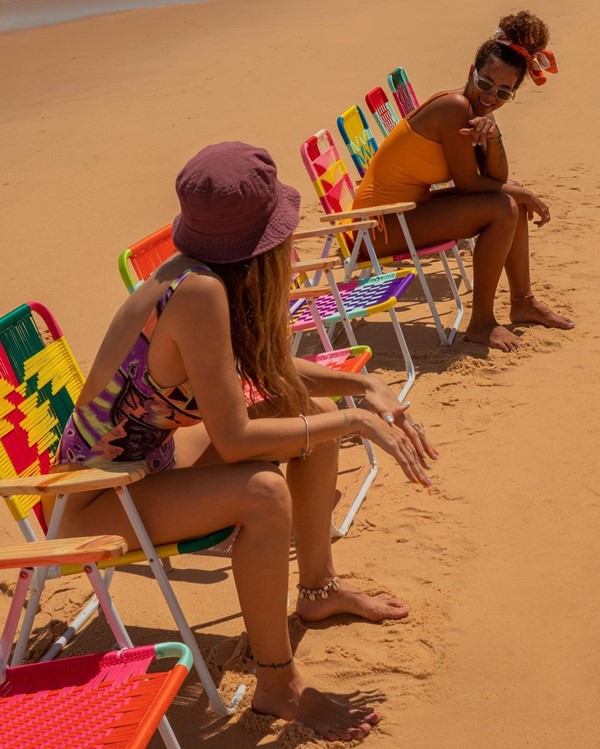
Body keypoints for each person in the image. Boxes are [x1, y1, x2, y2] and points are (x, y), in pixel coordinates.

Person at [45, 141, 438, 741]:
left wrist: (362, 385)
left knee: (307, 408)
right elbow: (232, 440)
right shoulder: (198, 294)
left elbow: (269, 367)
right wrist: (356, 421)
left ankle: (318, 590)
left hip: (143, 466)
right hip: (91, 498)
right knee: (262, 493)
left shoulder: (195, 278)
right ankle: (278, 686)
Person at [353, 11, 574, 353]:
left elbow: (495, 178)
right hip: (374, 227)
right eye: (485, 84)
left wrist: (494, 134)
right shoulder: (455, 107)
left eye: (503, 92)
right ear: (472, 72)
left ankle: (523, 301)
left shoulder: (477, 112)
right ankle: (482, 323)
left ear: (514, 91)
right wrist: (523, 191)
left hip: (407, 212)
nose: (490, 96)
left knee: (509, 198)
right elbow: (472, 185)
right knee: (504, 205)